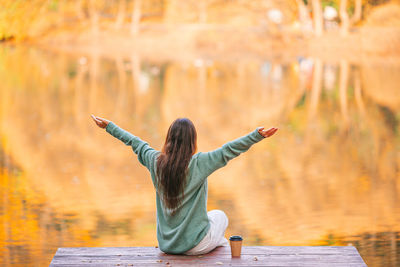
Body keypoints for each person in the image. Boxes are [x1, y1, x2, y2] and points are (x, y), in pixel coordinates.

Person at [91, 115, 278, 255]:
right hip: (196, 246)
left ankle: (217, 245)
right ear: (192, 141)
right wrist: (256, 136)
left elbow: (135, 143)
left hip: (168, 245)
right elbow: (227, 150)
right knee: (220, 216)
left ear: (169, 139)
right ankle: (218, 248)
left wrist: (109, 126)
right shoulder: (199, 163)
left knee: (213, 220)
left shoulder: (155, 161)